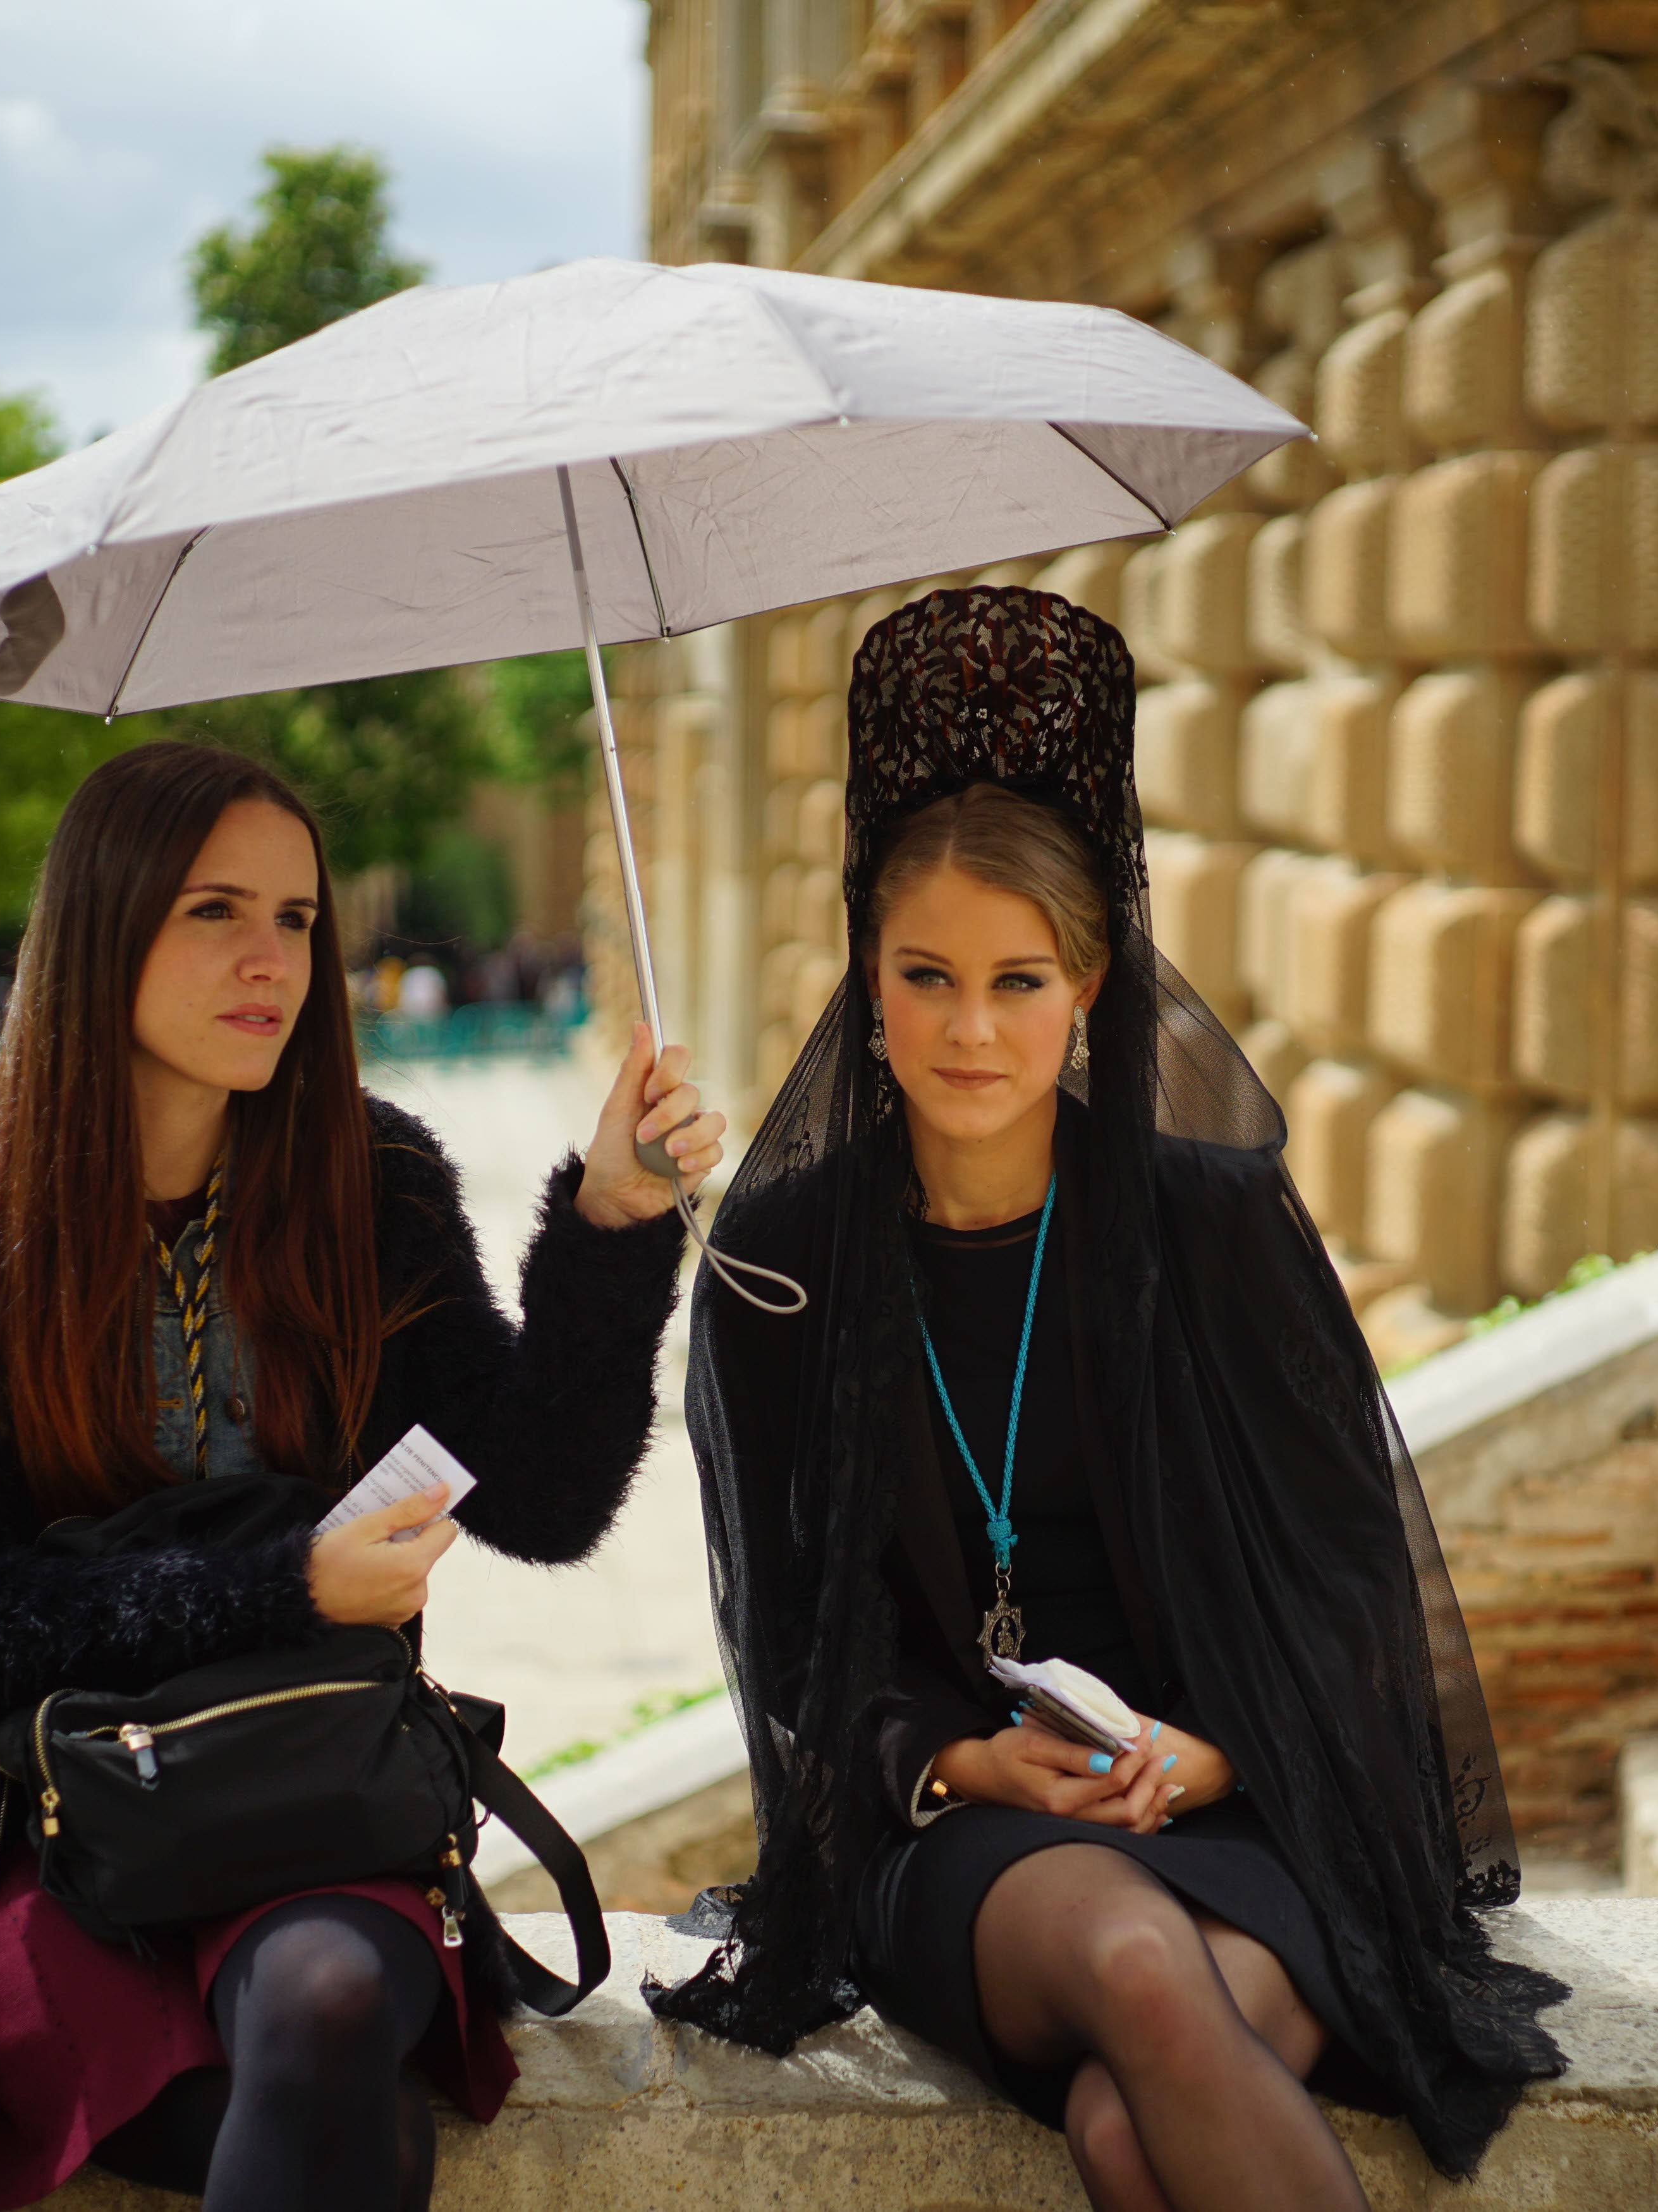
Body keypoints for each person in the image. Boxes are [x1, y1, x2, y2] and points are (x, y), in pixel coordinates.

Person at [654, 589, 1565, 2207]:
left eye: (1018, 982)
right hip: (966, 1842)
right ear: (868, 976)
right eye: (926, 977)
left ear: (1089, 982)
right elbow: (792, 1633)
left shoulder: (1211, 1226)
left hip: (1242, 1798)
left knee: (1125, 2134)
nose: (969, 1029)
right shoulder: (785, 1258)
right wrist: (957, 1767)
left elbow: (1356, 1580)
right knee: (1142, 1975)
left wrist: (1203, 1759)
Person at [0, 740, 724, 2212]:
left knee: (325, 2009)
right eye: (217, 913)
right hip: (28, 1824)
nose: (274, 961)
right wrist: (285, 1583)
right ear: (102, 923)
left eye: (301, 921)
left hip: (304, 1795)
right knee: (361, 2141)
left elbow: (545, 1497)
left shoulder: (370, 1182)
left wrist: (619, 1226)